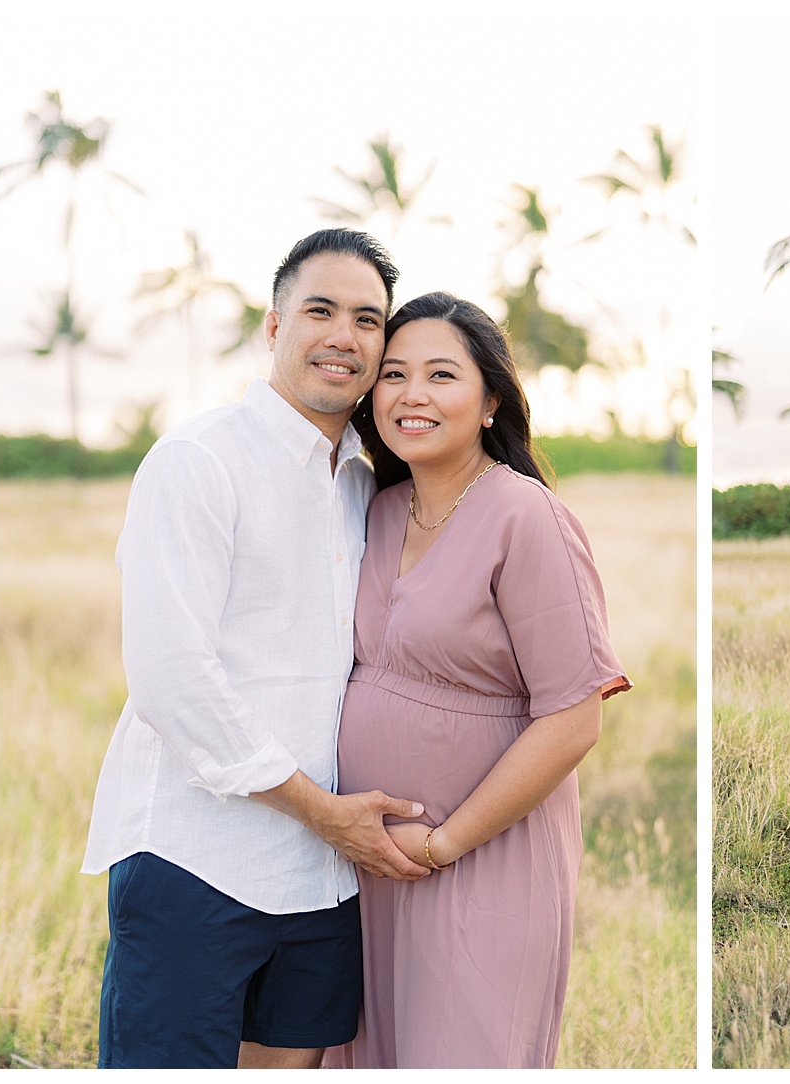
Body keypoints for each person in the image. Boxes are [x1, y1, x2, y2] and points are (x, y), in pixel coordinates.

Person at [81, 229, 435, 1069]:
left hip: (321, 882)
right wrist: (324, 812)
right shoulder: (198, 462)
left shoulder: (367, 481)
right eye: (321, 310)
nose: (344, 337)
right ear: (274, 328)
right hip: (194, 860)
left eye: (367, 319)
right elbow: (172, 679)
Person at [321, 292, 630, 1069]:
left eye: (441, 375)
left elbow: (573, 717)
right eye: (393, 374)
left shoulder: (526, 517)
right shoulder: (377, 508)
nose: (412, 394)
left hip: (482, 853)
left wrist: (443, 843)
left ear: (492, 399)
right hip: (372, 863)